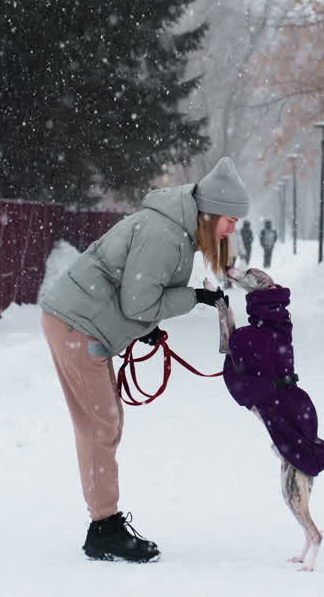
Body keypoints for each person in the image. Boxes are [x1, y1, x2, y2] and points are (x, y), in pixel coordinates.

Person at [39, 157, 249, 563]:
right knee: (100, 425)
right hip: (76, 325)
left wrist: (147, 323)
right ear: (209, 214)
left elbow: (134, 293)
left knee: (104, 423)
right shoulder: (166, 234)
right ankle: (104, 528)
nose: (233, 228)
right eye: (229, 220)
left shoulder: (175, 230)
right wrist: (194, 298)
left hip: (84, 322)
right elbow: (139, 300)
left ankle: (104, 524)